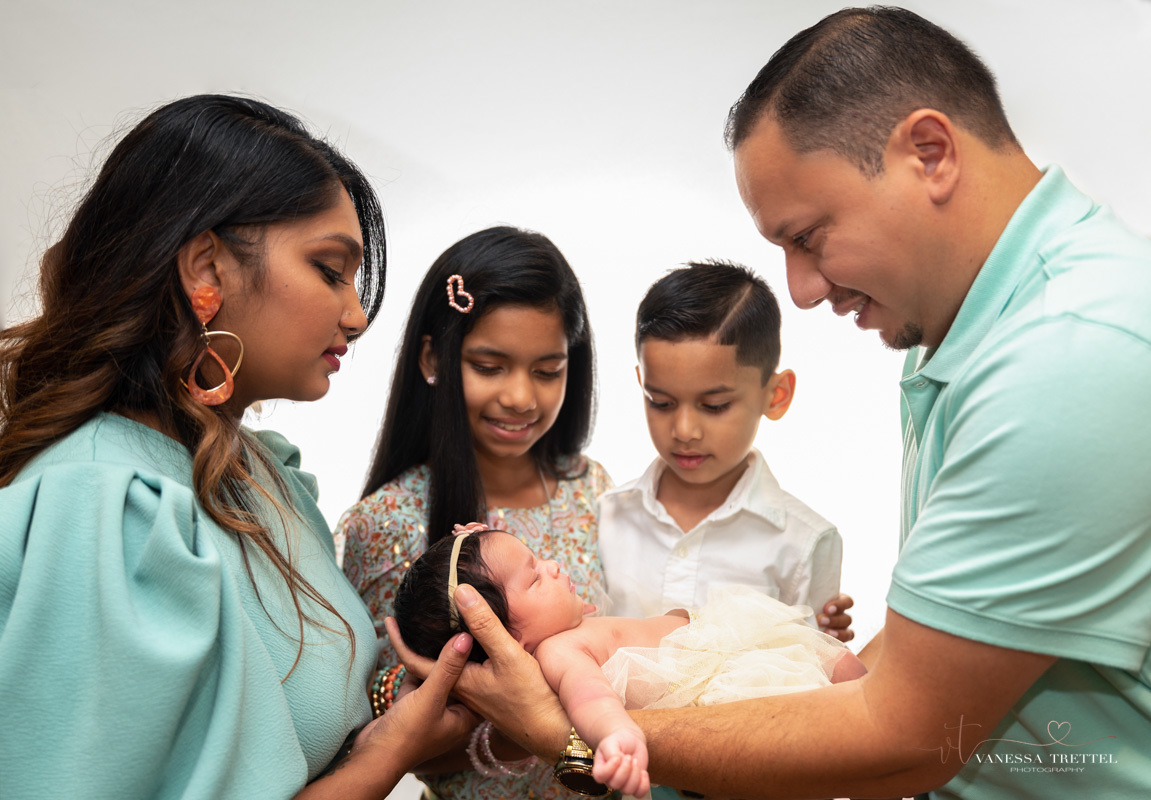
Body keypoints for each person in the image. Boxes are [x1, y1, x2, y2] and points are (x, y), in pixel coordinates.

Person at [388, 7, 1151, 799]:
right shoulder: (972, 332)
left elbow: (903, 740)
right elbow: (943, 655)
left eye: (809, 237)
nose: (802, 289)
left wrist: (560, 733)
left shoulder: (1065, 358)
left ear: (929, 154)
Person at [0, 94, 478, 800]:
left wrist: (407, 709)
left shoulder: (264, 474)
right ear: (205, 269)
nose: (355, 314)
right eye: (328, 268)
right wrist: (390, 754)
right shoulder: (103, 506)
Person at [338, 225, 610, 800]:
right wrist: (533, 733)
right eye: (490, 366)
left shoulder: (590, 486)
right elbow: (381, 740)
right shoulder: (388, 521)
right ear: (435, 357)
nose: (521, 397)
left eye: (547, 369)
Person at [395, 524, 864, 797]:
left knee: (838, 671)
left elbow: (499, 582)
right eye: (536, 578)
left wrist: (477, 540)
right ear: (507, 641)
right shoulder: (560, 653)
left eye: (538, 559)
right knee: (832, 712)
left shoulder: (563, 629)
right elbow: (592, 697)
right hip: (720, 675)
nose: (554, 567)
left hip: (724, 639)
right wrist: (615, 735)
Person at [599, 260, 852, 638]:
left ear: (776, 395)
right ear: (642, 382)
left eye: (714, 406)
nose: (684, 431)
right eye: (661, 402)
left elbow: (811, 678)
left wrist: (826, 647)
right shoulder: (605, 516)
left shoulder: (804, 542)